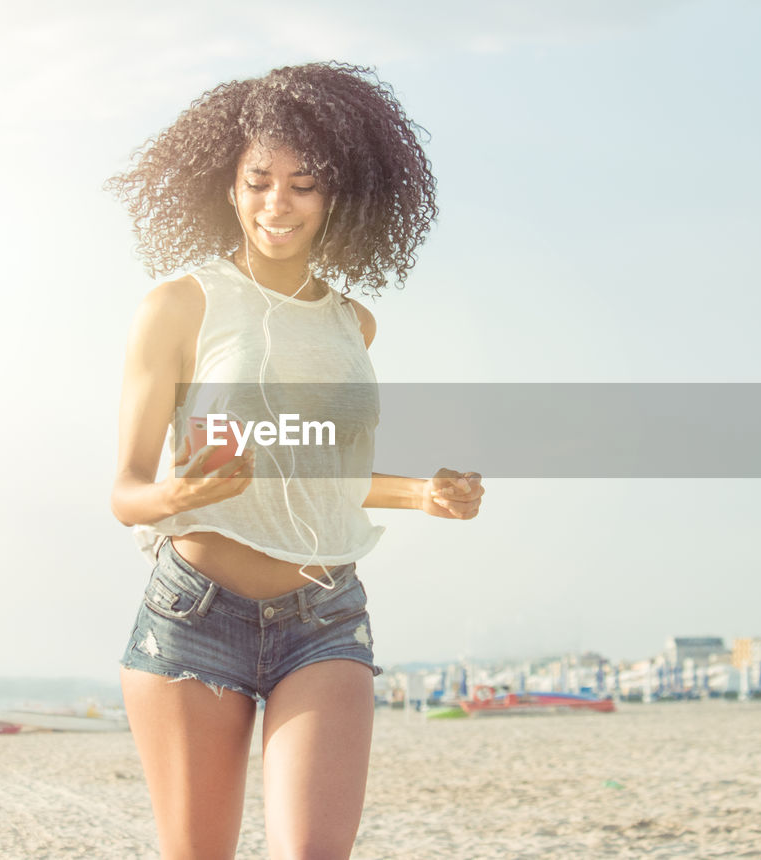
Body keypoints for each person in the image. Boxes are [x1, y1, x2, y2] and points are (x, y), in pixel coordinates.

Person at [107, 61, 484, 859]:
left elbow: (324, 474)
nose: (277, 204)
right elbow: (126, 492)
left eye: (303, 184)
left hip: (325, 616)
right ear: (230, 188)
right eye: (259, 182)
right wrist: (178, 491)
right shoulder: (180, 306)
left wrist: (424, 493)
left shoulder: (355, 325)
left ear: (338, 194)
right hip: (196, 616)